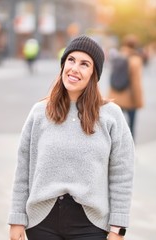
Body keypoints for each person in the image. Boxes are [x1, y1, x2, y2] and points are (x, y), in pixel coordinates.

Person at [8, 35, 135, 240]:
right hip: (42, 222)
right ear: (63, 64)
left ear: (94, 73)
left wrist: (118, 228)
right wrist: (16, 218)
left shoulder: (112, 116)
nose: (75, 68)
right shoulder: (40, 112)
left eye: (84, 64)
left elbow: (122, 174)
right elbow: (23, 168)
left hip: (91, 225)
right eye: (71, 60)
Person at [108, 34, 144, 140]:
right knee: (130, 128)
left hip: (115, 97)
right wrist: (138, 102)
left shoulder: (118, 56)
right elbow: (136, 83)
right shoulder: (135, 60)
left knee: (115, 127)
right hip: (130, 99)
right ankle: (129, 152)